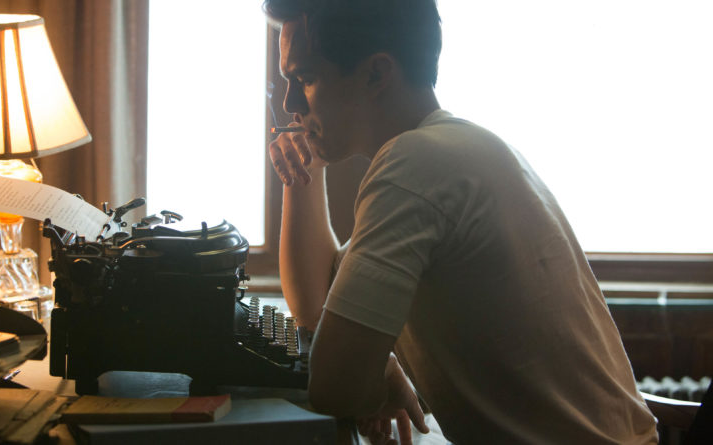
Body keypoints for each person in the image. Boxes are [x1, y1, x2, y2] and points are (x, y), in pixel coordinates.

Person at [262, 0, 658, 443]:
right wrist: (304, 171)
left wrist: (374, 379)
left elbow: (334, 387)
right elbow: (318, 302)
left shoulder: (414, 166)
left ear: (376, 73)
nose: (288, 102)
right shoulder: (455, 146)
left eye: (305, 78)